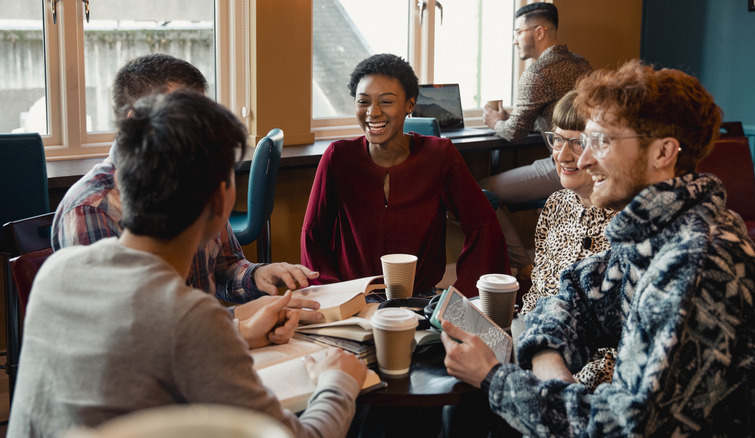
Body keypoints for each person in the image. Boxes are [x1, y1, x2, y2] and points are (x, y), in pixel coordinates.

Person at [441, 60, 755, 435]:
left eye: (601, 141)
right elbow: (573, 297)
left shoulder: (697, 261)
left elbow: (626, 428)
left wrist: (494, 378)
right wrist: (547, 361)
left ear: (663, 153)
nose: (584, 159)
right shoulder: (657, 232)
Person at [9, 90, 367, 437]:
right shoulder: (191, 319)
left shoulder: (57, 272)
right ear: (221, 201)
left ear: (121, 180)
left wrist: (238, 332)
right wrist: (339, 380)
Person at [51, 54, 323, 327]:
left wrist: (257, 276)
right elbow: (121, 333)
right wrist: (236, 324)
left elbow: (224, 267)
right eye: (187, 117)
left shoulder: (196, 176)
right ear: (135, 122)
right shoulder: (91, 208)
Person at [301, 53, 509, 297]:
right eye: (363, 101)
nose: (372, 112)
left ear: (410, 104)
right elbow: (312, 235)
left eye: (386, 102)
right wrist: (333, 294)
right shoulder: (338, 157)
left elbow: (483, 225)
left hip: (420, 297)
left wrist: (462, 296)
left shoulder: (439, 155)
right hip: (353, 299)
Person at [481, 3, 591, 279]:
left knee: (481, 193)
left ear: (539, 31)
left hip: (565, 165)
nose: (515, 38)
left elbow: (515, 132)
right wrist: (513, 117)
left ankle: (524, 265)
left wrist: (494, 120)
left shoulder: (537, 73)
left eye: (518, 31)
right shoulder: (580, 63)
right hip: (591, 160)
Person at [518, 90, 618, 391]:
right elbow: (537, 291)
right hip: (536, 344)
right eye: (558, 139)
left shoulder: (626, 223)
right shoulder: (557, 204)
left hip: (587, 377)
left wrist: (570, 387)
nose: (562, 155)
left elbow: (620, 346)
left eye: (578, 142)